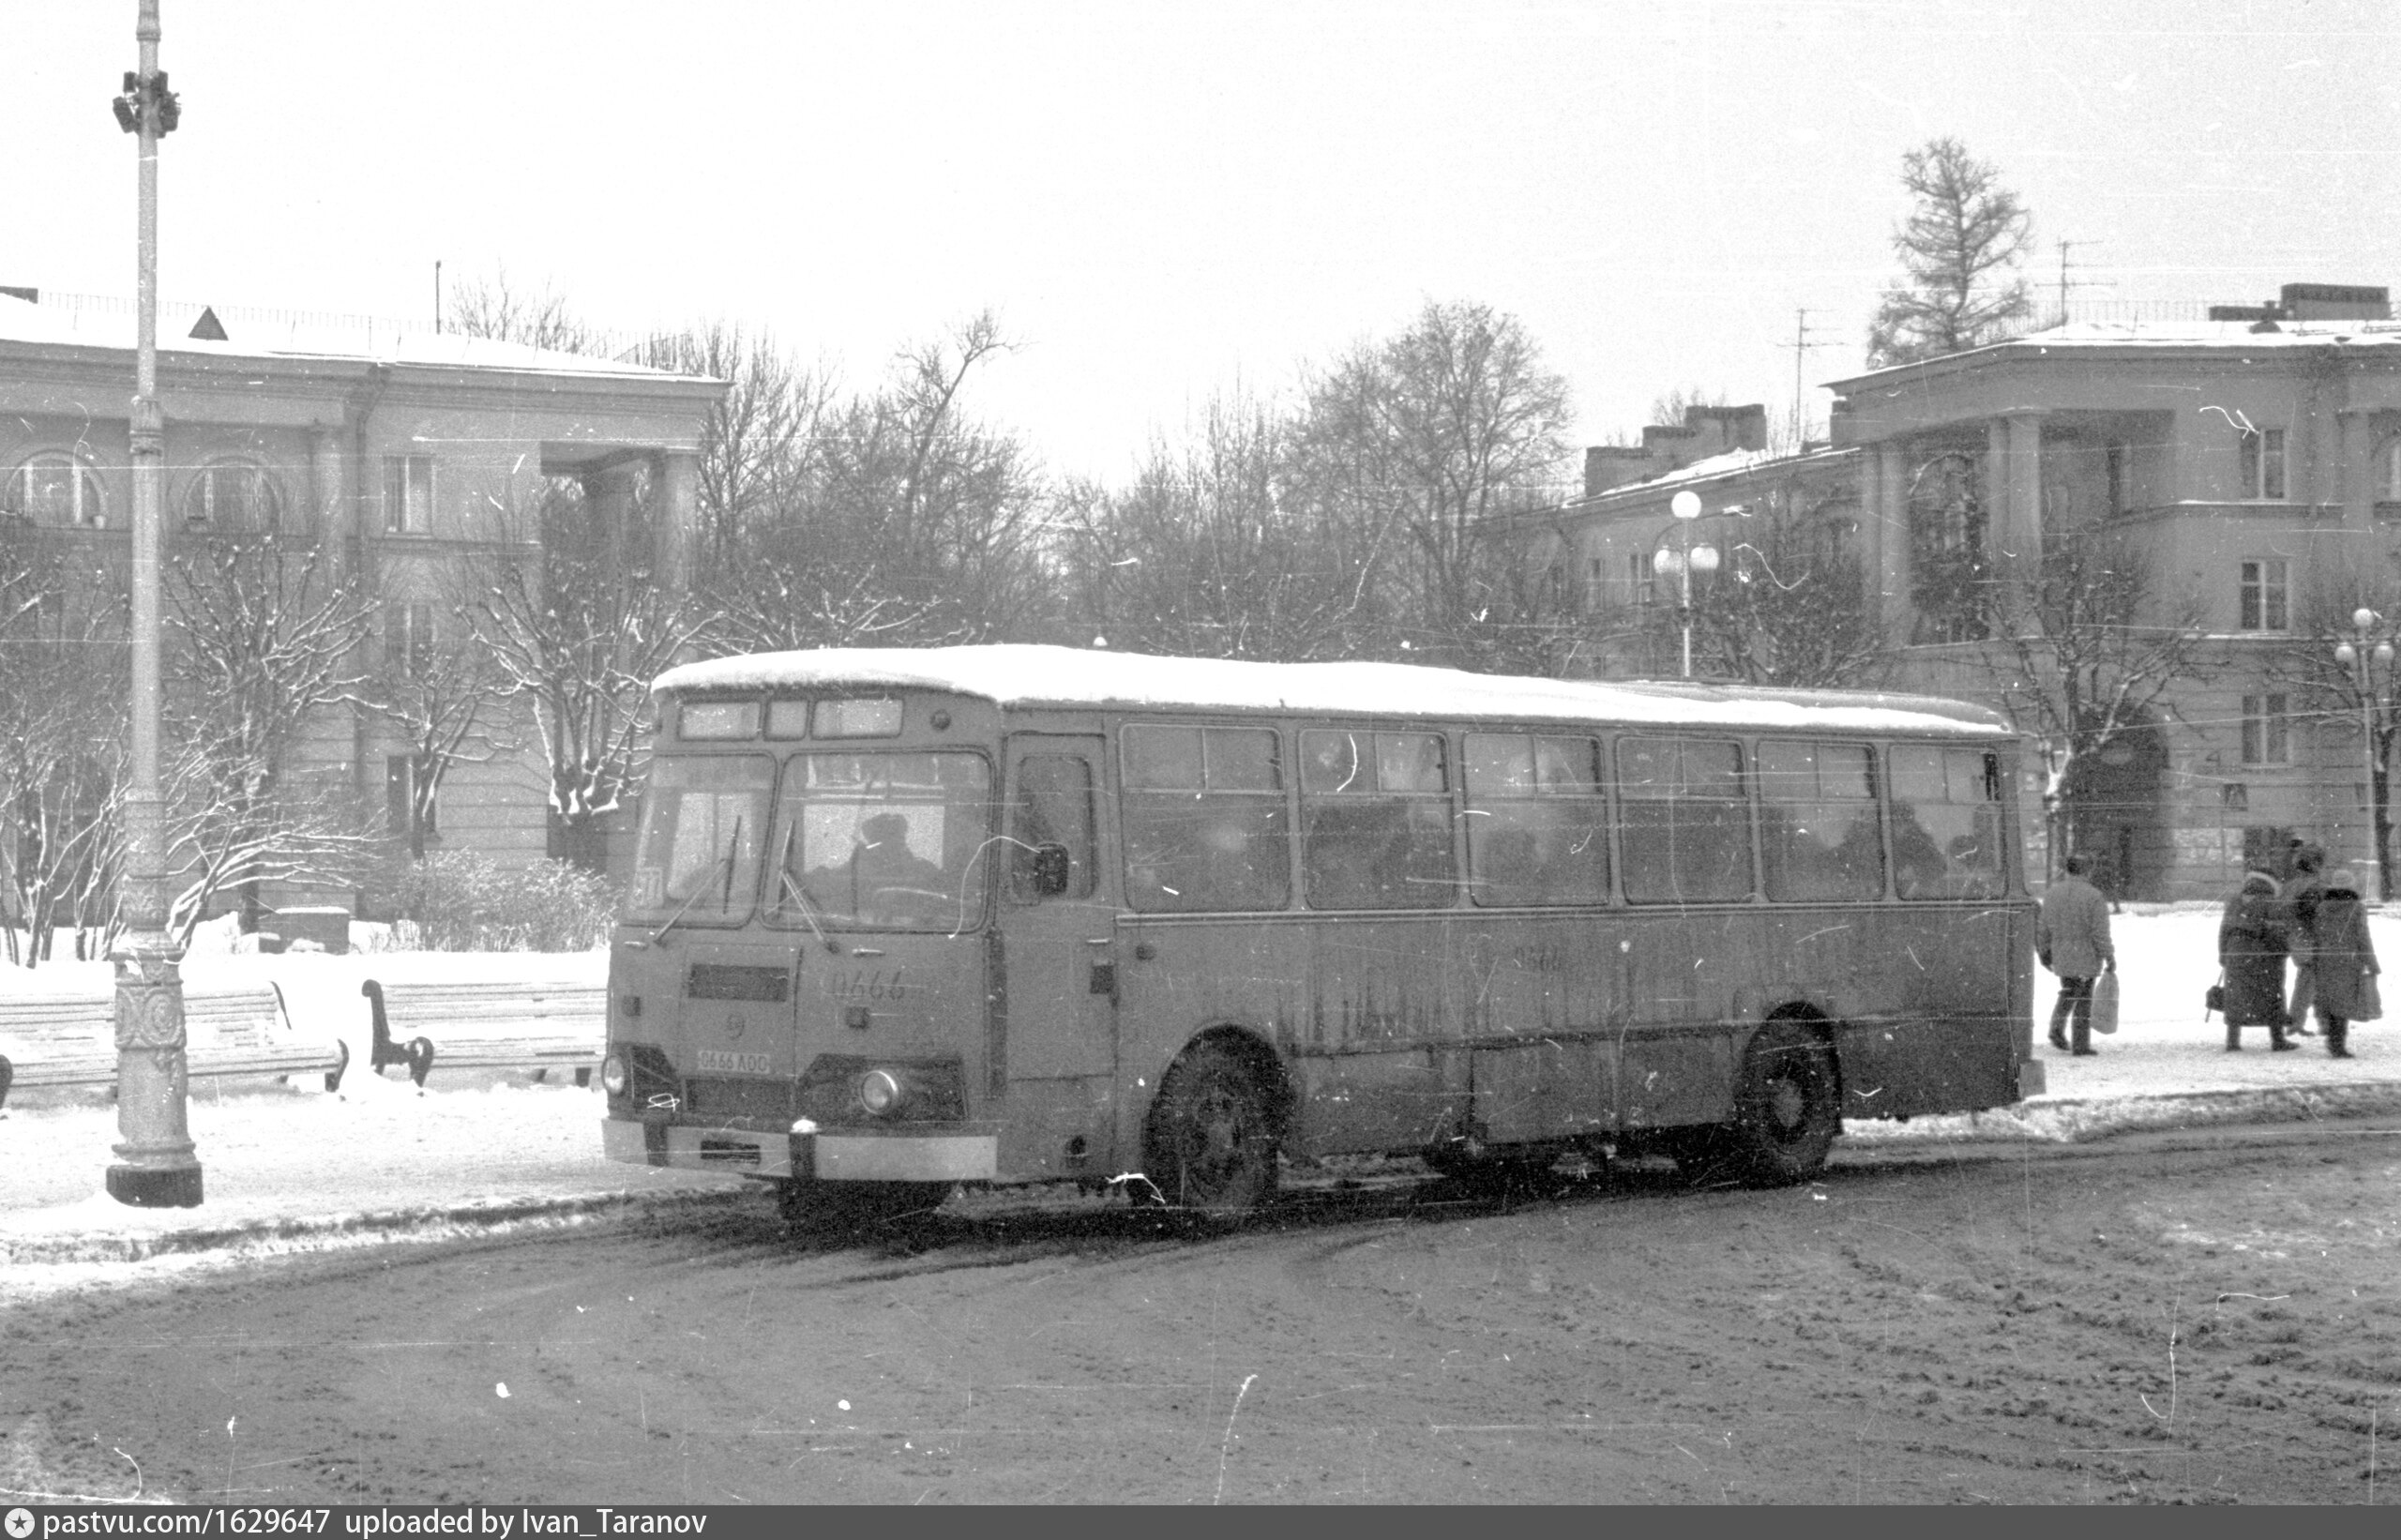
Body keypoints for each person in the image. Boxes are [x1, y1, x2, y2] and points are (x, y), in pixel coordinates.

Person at [2039, 853, 2117, 1055]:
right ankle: (2080, 1044)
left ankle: (2056, 1029)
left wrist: (2044, 950)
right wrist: (2109, 955)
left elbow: (2044, 927)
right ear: (2087, 871)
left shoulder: (2052, 894)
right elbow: (2100, 932)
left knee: (2068, 991)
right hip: (2086, 954)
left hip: (2062, 952)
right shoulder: (2093, 896)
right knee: (2083, 1000)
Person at [2217, 869, 2294, 1052]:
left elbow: (2224, 930)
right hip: (2263, 954)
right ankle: (2278, 1039)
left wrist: (2223, 955)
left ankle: (2232, 1041)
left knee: (2236, 996)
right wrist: (2283, 951)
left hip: (2236, 952)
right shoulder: (2273, 902)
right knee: (2272, 994)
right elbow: (2278, 931)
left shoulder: (2236, 901)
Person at [2308, 868, 2378, 1060]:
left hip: (2325, 959)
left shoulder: (2322, 907)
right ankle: (2338, 1044)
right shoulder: (2356, 908)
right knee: (2343, 1004)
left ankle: (2332, 1040)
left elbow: (2316, 934)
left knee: (2328, 1001)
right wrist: (2372, 962)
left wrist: (2314, 957)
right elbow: (2363, 937)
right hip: (2347, 960)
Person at [2280, 844, 2329, 1036]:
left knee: (2309, 979)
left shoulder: (2290, 885)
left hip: (2295, 938)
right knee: (2313, 980)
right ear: (2315, 863)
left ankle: (2301, 1020)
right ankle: (2304, 1022)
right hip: (2310, 938)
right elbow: (2316, 915)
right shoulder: (2314, 886)